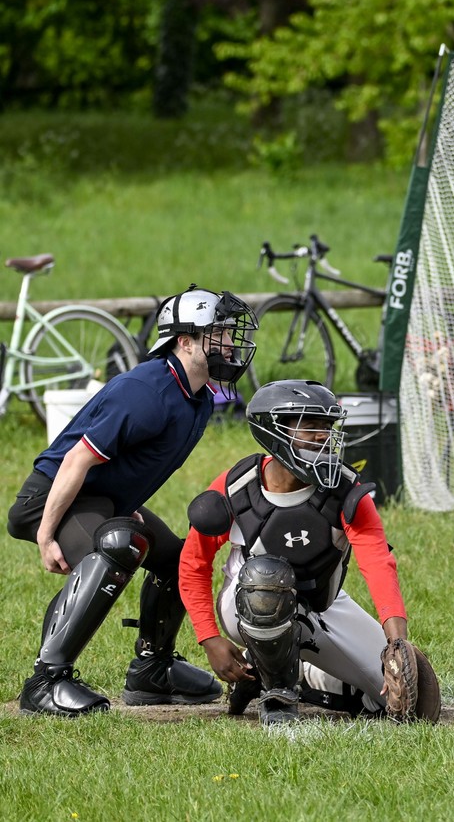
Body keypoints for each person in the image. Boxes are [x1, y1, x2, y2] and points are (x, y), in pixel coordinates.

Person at [5, 286, 256, 716]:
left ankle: (152, 670)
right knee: (122, 544)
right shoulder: (147, 392)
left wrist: (124, 503)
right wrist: (47, 535)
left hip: (99, 498)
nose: (229, 344)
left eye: (228, 334)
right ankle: (45, 681)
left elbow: (139, 464)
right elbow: (74, 461)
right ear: (184, 342)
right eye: (217, 334)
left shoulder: (197, 398)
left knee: (178, 558)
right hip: (50, 497)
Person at [178, 379, 412, 726]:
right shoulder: (236, 487)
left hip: (321, 603)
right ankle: (277, 694)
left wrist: (398, 647)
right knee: (267, 578)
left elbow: (378, 563)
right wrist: (209, 638)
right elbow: (193, 563)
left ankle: (283, 674)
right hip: (249, 602)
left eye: (327, 426)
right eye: (310, 425)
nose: (323, 436)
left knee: (405, 700)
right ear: (274, 431)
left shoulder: (347, 490)